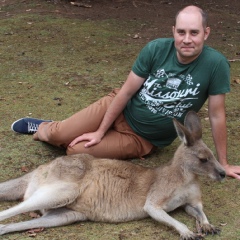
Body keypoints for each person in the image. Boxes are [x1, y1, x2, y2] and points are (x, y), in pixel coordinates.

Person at [11, 5, 240, 180]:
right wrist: (100, 132)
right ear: (173, 31)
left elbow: (217, 115)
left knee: (74, 151)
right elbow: (126, 92)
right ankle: (47, 128)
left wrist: (224, 163)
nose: (187, 39)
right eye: (181, 32)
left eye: (194, 32)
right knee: (57, 135)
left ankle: (70, 129)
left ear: (206, 33)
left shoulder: (216, 65)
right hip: (118, 109)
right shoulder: (156, 49)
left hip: (141, 138)